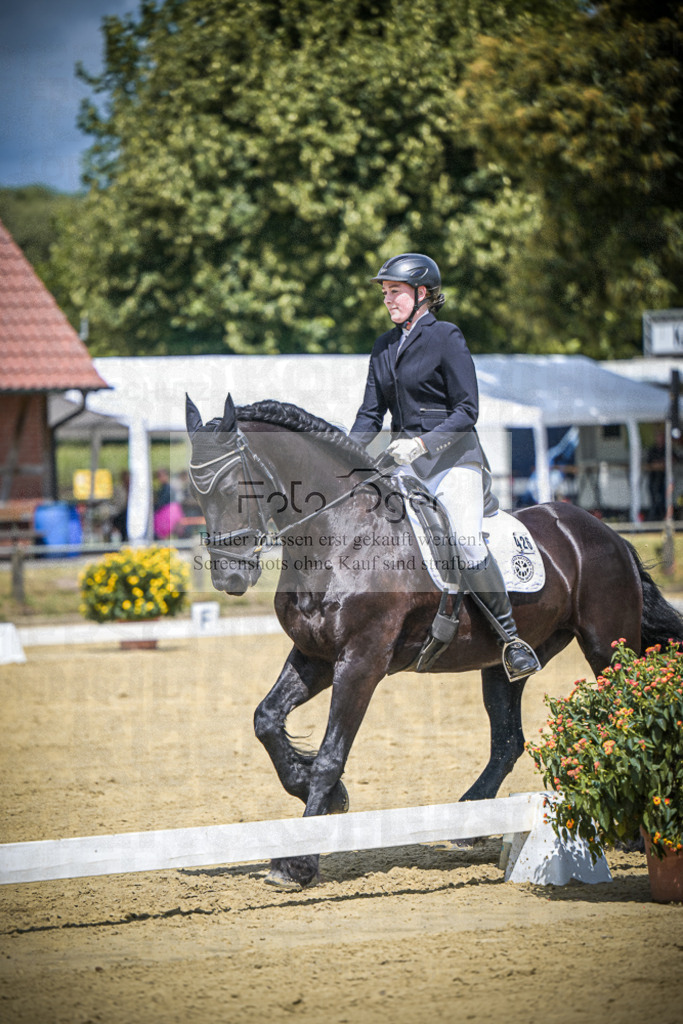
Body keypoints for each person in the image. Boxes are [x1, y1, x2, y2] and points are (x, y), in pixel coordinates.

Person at [350, 252, 540, 681]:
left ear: (421, 294)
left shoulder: (446, 337)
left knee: (467, 539)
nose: (387, 300)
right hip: (405, 464)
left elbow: (467, 409)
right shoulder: (383, 346)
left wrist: (420, 443)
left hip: (454, 460)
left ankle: (511, 640)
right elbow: (369, 415)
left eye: (394, 291)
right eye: (384, 293)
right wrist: (342, 456)